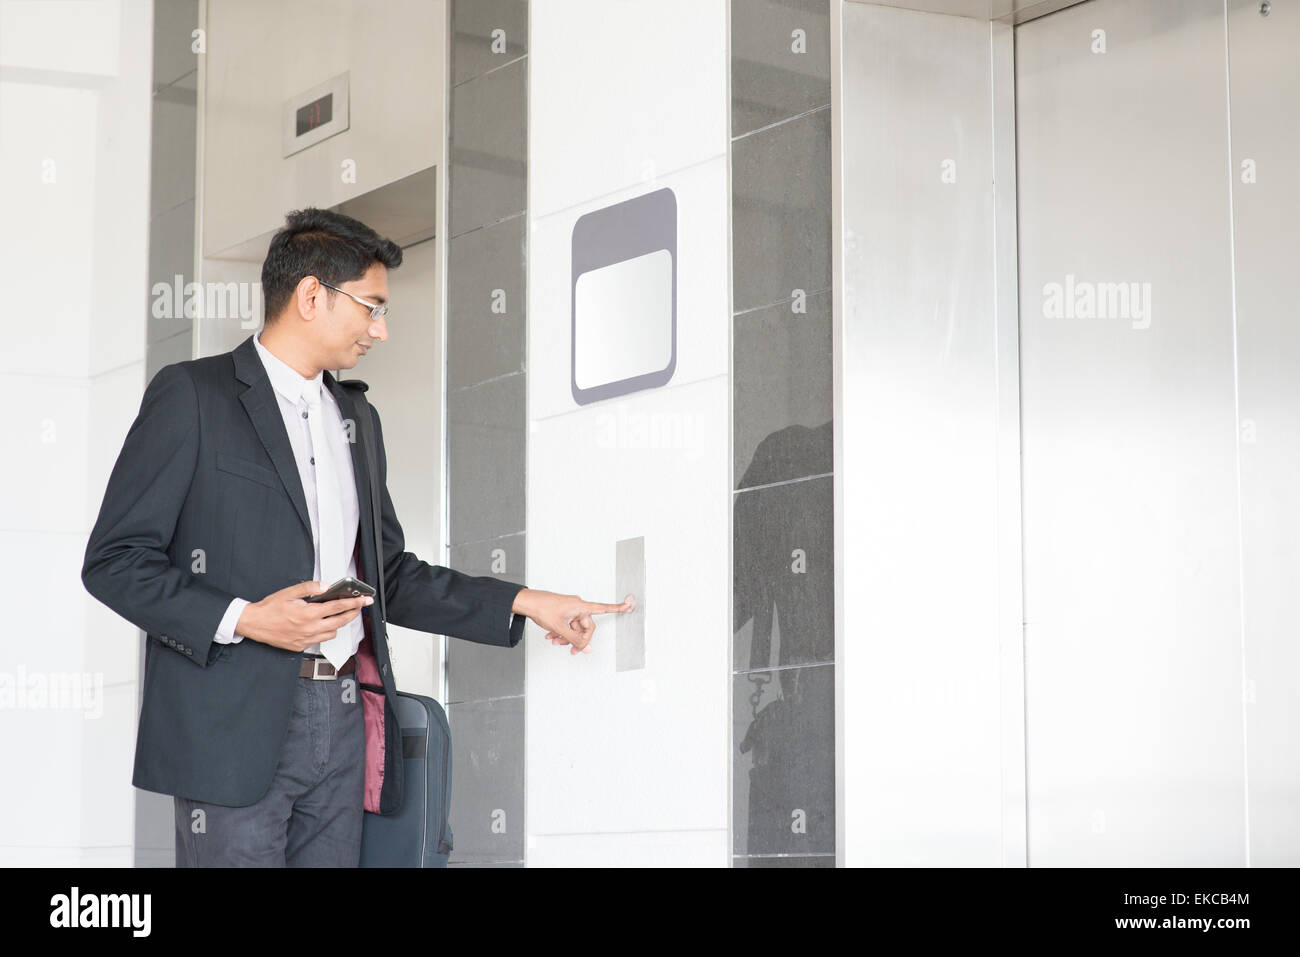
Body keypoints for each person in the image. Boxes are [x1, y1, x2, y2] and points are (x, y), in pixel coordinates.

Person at [81, 207, 633, 867]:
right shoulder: (193, 397)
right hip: (231, 729)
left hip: (343, 719)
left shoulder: (357, 419)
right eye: (371, 306)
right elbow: (115, 560)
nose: (381, 328)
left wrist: (526, 601)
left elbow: (389, 576)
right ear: (312, 295)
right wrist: (246, 618)